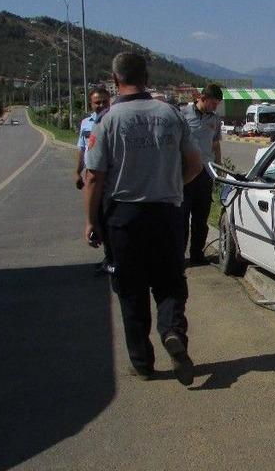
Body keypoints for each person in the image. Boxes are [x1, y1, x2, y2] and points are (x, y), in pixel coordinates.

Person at [83, 52, 203, 385]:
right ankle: (172, 331)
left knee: (131, 291)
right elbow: (195, 164)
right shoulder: (170, 114)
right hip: (167, 214)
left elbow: (93, 176)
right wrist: (172, 185)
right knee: (170, 283)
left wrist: (91, 221)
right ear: (146, 76)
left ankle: (142, 363)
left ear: (115, 78)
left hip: (125, 218)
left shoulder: (107, 120)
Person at [181, 84, 223, 266]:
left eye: (217, 104)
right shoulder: (183, 115)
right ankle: (178, 256)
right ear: (203, 98)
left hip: (205, 173)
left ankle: (197, 253)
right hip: (186, 173)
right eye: (213, 103)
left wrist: (219, 169)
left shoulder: (215, 120)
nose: (215, 107)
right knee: (181, 217)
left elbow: (215, 145)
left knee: (201, 217)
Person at [77, 87, 112, 275]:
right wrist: (77, 172)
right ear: (91, 104)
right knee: (98, 217)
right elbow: (82, 149)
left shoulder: (114, 121)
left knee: (109, 221)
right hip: (93, 177)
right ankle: (109, 257)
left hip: (109, 181)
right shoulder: (85, 124)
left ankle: (112, 260)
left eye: (105, 101)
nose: (101, 105)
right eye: (97, 102)